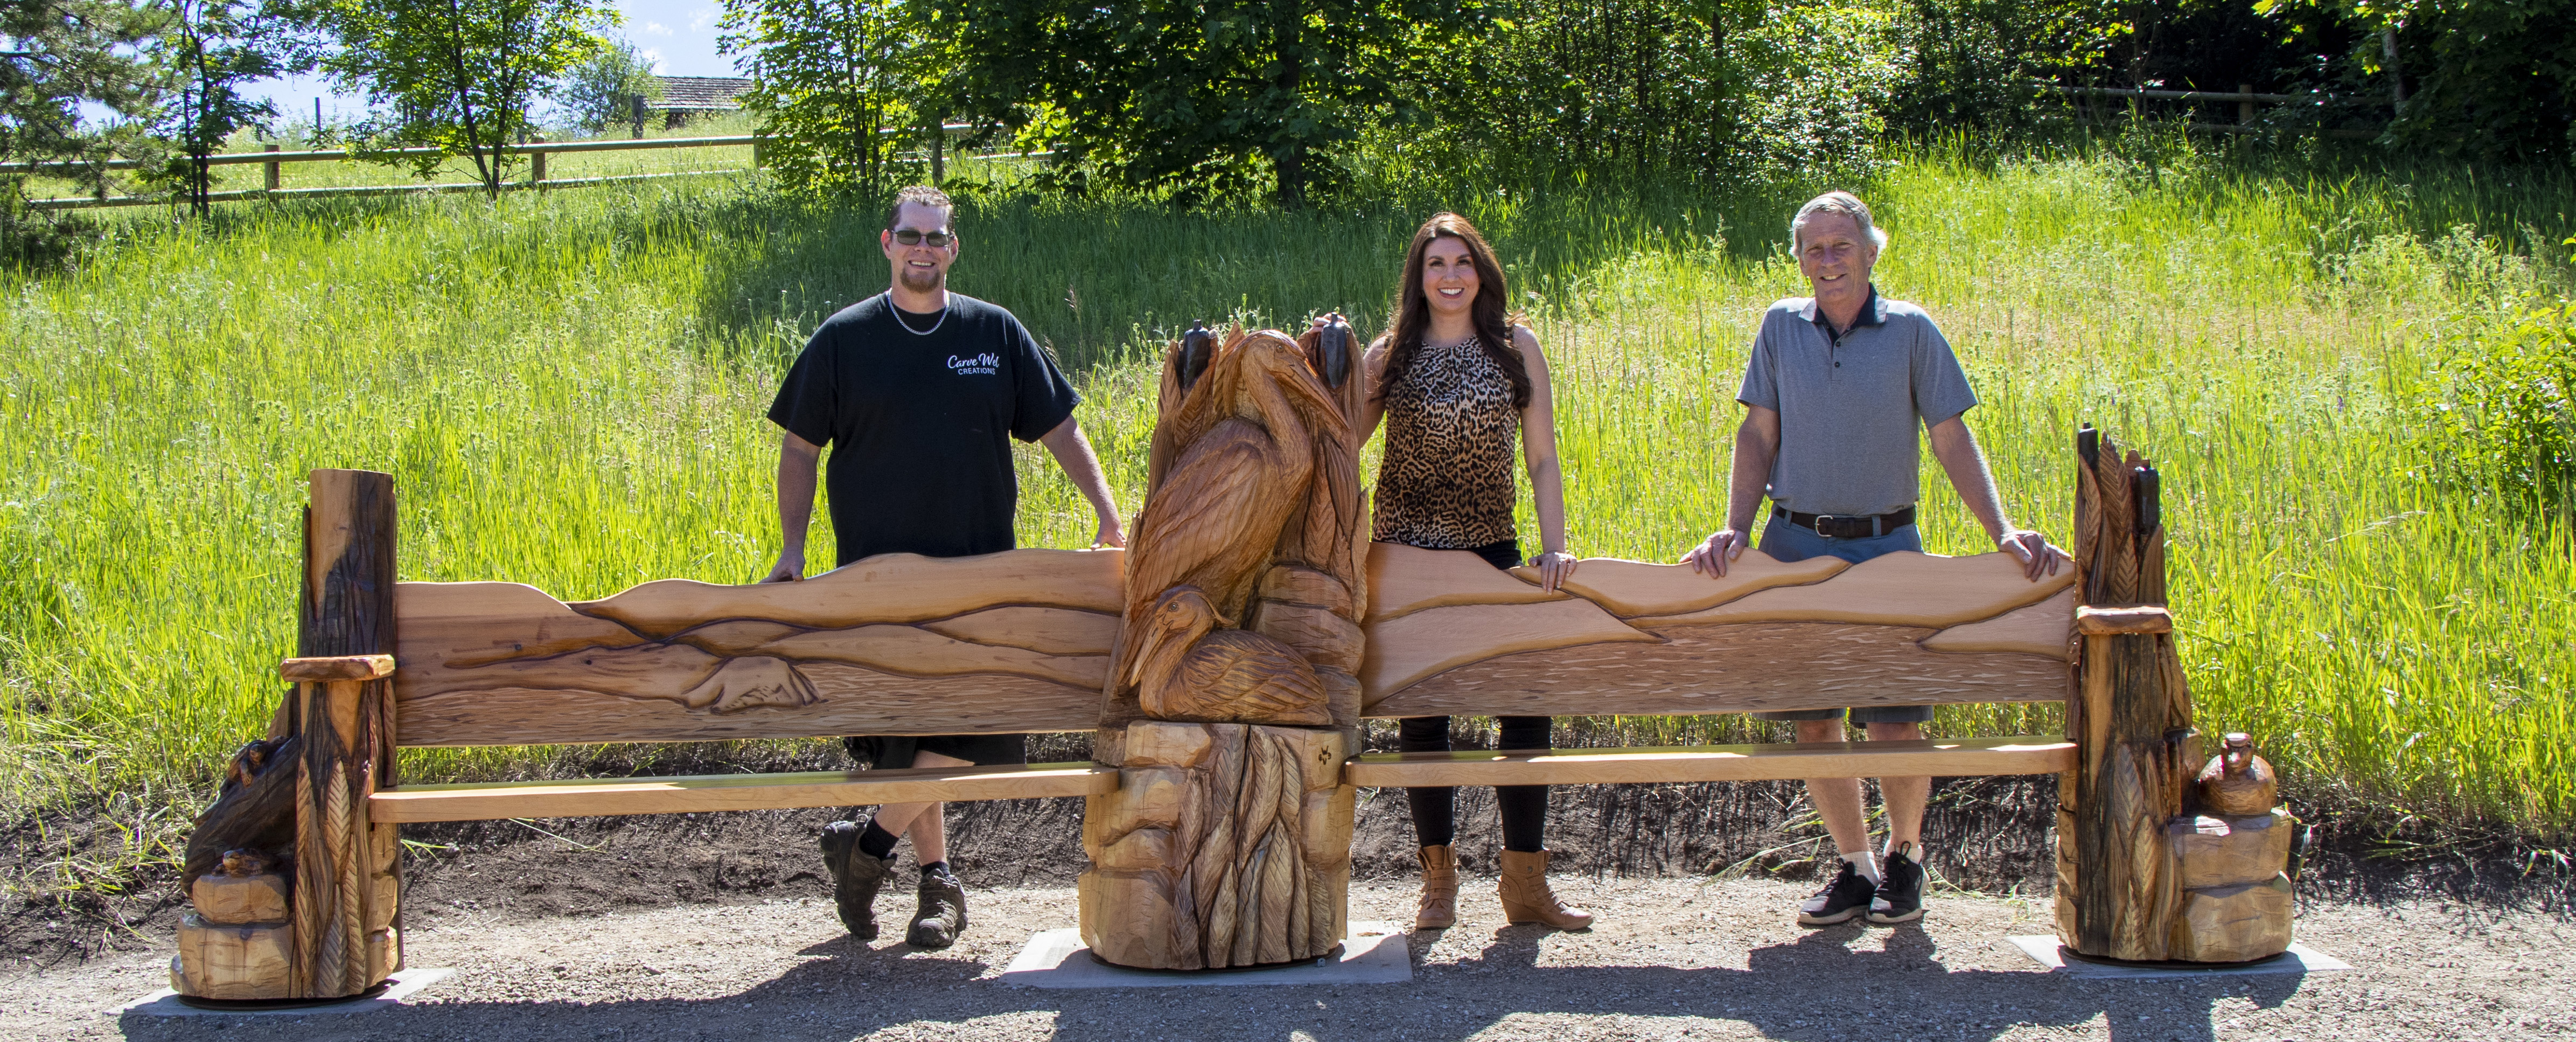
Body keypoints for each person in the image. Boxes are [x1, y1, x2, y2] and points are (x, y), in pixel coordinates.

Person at [1684, 190, 2063, 927]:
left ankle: (1906, 859)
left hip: (1890, 546)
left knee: (1896, 719)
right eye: (1814, 249)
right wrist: (1735, 526)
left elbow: (1952, 437)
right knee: (1815, 719)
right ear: (1799, 259)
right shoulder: (1778, 328)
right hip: (1795, 543)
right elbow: (1758, 435)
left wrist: (2002, 529)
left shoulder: (1913, 331)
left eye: (1841, 246)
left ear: (1870, 253)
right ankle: (1854, 866)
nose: (1828, 262)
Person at [763, 185, 1125, 949]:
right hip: (877, 577)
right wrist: (793, 552)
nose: (924, 248)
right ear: (887, 243)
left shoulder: (993, 333)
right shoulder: (843, 338)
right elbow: (799, 447)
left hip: (980, 574)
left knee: (976, 726)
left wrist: (1108, 513)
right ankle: (937, 885)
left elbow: (1059, 427)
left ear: (953, 249)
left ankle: (865, 848)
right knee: (909, 734)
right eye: (911, 236)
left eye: (937, 237)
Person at [1342, 212, 1594, 932]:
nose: (1450, 276)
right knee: (1425, 716)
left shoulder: (1517, 346)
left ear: (1481, 270)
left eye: (1461, 262)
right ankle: (1438, 882)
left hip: (1492, 547)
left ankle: (1526, 884)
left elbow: (1542, 457)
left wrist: (1555, 545)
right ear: (1418, 279)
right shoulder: (1392, 353)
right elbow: (1345, 447)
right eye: (1435, 264)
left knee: (1524, 703)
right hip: (1406, 551)